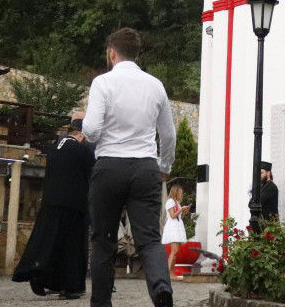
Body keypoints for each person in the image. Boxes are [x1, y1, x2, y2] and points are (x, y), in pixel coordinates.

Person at [83, 28, 176, 307]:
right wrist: (164, 166)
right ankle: (161, 288)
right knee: (148, 238)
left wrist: (93, 131)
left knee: (103, 239)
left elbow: (91, 129)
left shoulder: (103, 83)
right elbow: (169, 134)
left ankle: (101, 303)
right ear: (137, 53)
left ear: (111, 52)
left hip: (109, 166)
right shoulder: (155, 85)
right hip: (145, 167)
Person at [12, 118, 95, 298]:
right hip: (74, 203)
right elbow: (93, 173)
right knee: (71, 245)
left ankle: (38, 273)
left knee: (48, 240)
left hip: (50, 201)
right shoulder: (81, 149)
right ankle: (70, 286)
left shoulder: (55, 147)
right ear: (81, 134)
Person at [162, 184, 190, 279]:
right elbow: (173, 215)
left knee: (176, 252)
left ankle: (171, 273)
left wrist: (185, 211)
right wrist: (181, 209)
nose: (181, 194)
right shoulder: (170, 202)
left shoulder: (177, 202)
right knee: (174, 251)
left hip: (177, 226)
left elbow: (179, 217)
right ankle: (166, 274)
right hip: (172, 227)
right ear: (176, 192)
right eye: (180, 192)